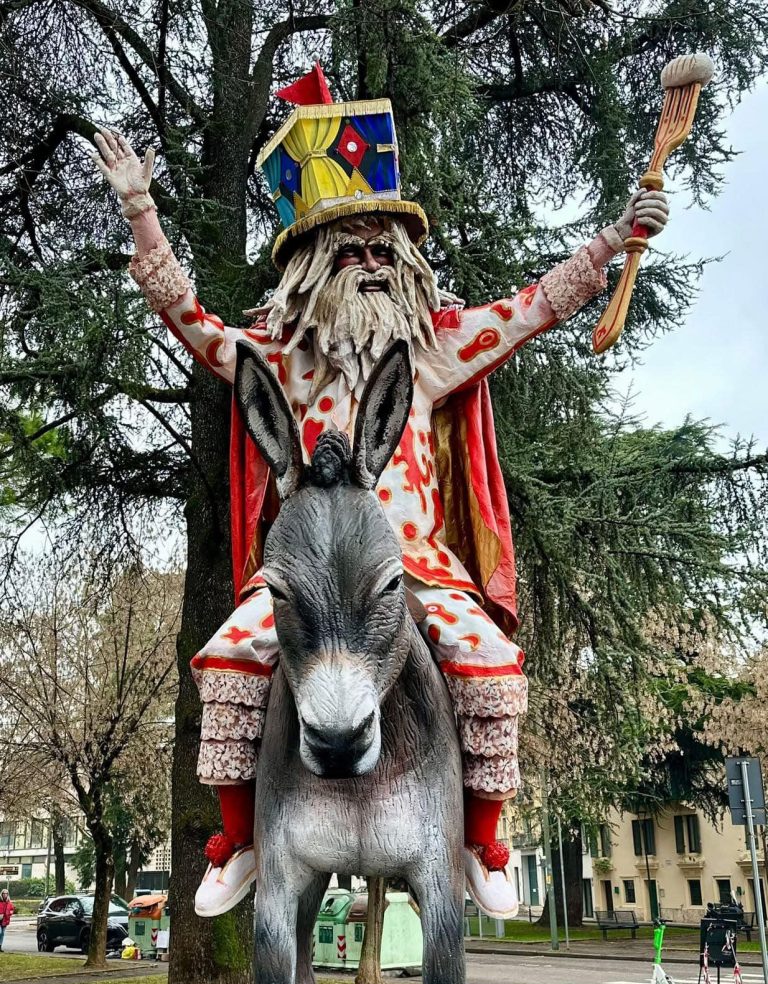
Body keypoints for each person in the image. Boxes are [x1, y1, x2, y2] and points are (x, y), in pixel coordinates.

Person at [92, 66, 668, 920]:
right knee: (225, 657)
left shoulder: (431, 348)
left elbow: (533, 308)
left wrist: (617, 237)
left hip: (420, 567)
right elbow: (195, 326)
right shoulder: (282, 359)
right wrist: (142, 213)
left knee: (492, 663)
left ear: (402, 264)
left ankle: (482, 841)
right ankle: (240, 840)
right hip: (313, 571)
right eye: (348, 251)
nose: (365, 265)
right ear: (312, 265)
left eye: (379, 252)